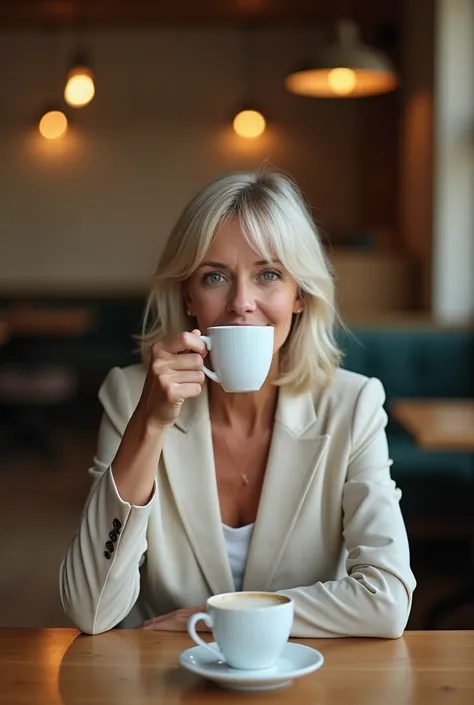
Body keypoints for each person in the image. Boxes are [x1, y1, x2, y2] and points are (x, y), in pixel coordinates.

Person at [60, 169, 416, 637]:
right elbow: (91, 610)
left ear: (299, 296)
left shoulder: (352, 404)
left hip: (306, 680)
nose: (241, 302)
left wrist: (223, 616)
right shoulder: (131, 396)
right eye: (215, 277)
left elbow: (386, 600)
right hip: (166, 677)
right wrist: (148, 425)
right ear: (189, 294)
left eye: (268, 274)